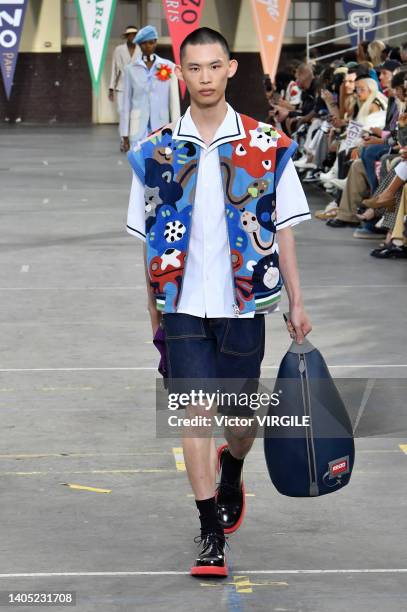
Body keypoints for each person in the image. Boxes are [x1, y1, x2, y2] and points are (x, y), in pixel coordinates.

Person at [125, 27, 312, 577]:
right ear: (180, 74)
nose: (204, 77)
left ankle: (233, 467)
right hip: (181, 302)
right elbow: (149, 236)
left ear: (230, 69)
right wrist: (153, 305)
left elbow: (284, 231)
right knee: (194, 414)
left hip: (244, 305)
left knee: (237, 419)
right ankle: (211, 532)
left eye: (213, 66)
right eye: (194, 68)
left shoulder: (266, 145)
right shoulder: (155, 151)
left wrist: (296, 302)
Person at [120, 25, 180, 151]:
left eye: (151, 43)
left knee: (160, 165)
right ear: (139, 45)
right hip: (137, 128)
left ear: (156, 43)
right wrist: (124, 133)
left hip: (162, 126)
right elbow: (126, 104)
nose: (148, 46)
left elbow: (174, 102)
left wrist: (176, 129)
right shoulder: (130, 69)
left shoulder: (168, 66)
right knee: (137, 167)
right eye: (144, 43)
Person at [109, 26, 141, 152]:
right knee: (123, 113)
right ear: (126, 36)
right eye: (130, 35)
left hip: (137, 86)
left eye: (134, 34)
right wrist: (111, 88)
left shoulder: (141, 49)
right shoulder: (119, 49)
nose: (132, 37)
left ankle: (133, 139)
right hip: (122, 86)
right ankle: (124, 140)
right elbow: (114, 68)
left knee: (135, 113)